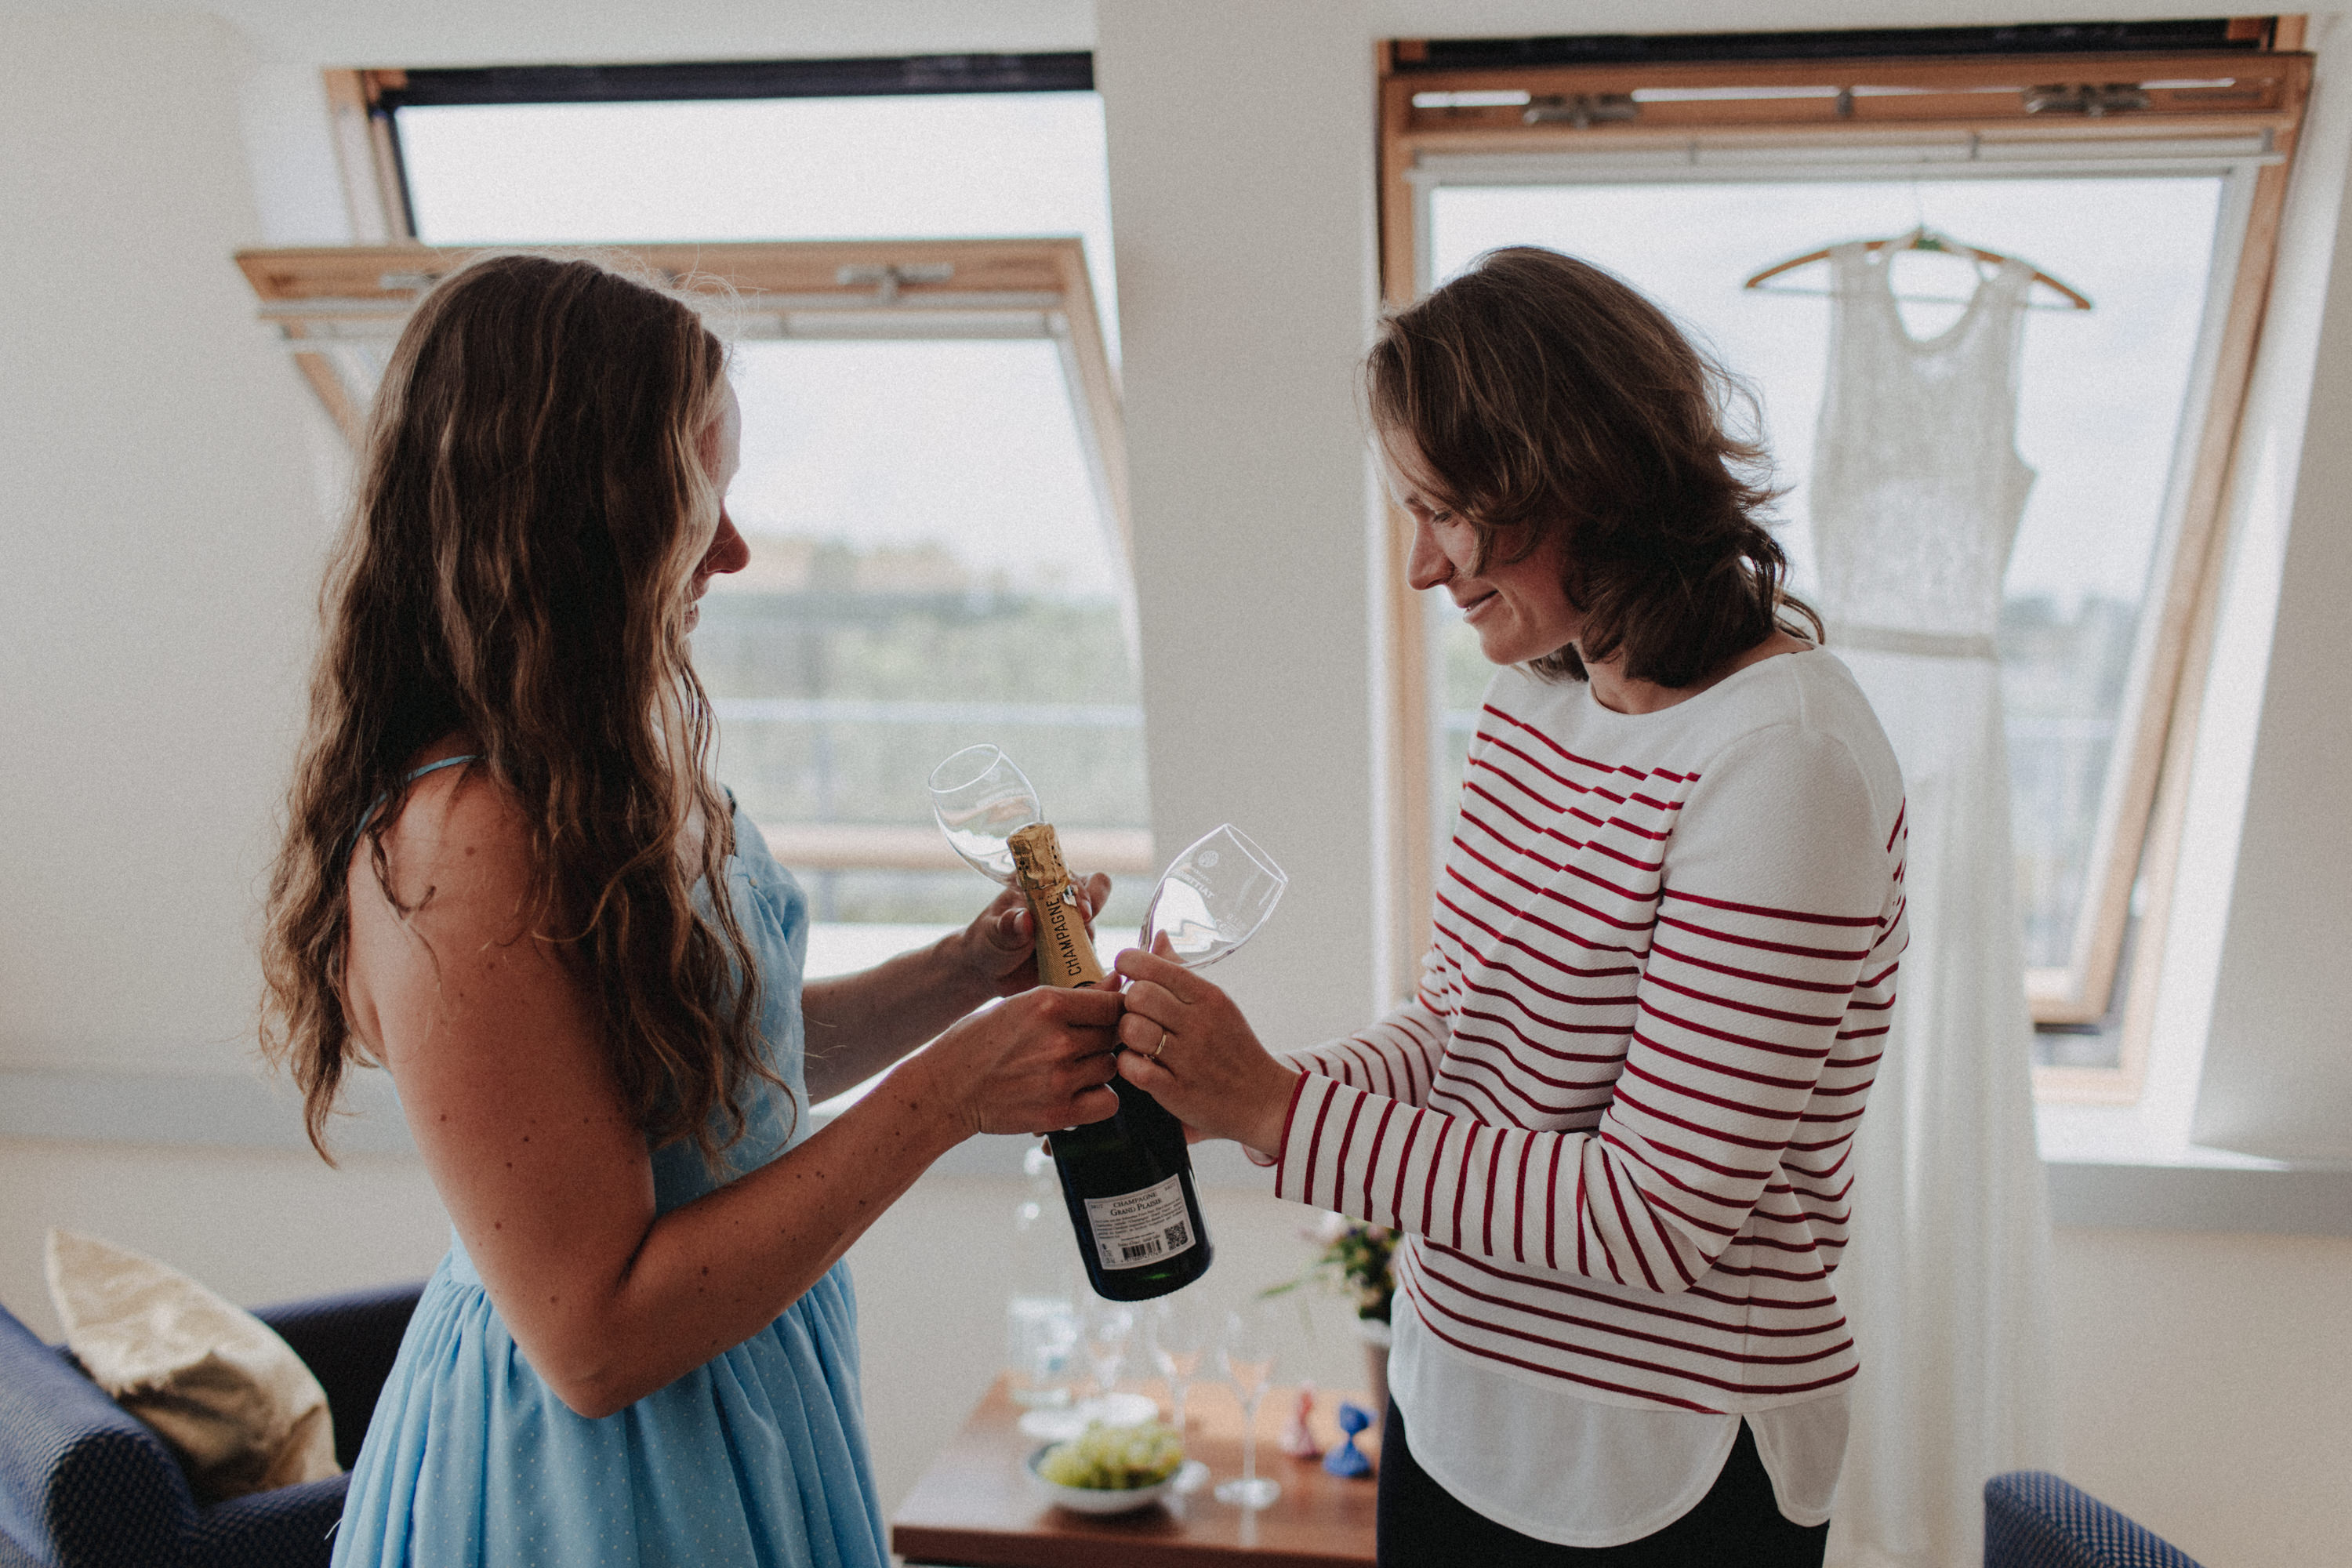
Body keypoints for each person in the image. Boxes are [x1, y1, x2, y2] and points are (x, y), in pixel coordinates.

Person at [259, 254, 1124, 1567]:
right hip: (596, 1477)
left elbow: (716, 1082)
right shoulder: (462, 841)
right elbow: (594, 1339)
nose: (733, 546)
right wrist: (953, 1095)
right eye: (694, 497)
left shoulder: (588, 761)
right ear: (571, 516)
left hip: (740, 1395)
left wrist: (962, 973)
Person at [1114, 247, 1909, 1566]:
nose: (1423, 565)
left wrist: (1276, 1109)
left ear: (1576, 481)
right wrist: (1227, 1089)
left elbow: (1654, 1213)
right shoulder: (1538, 700)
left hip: (1658, 1471)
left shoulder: (1783, 764)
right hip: (1456, 1410)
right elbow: (1462, 1035)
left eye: (1448, 512)